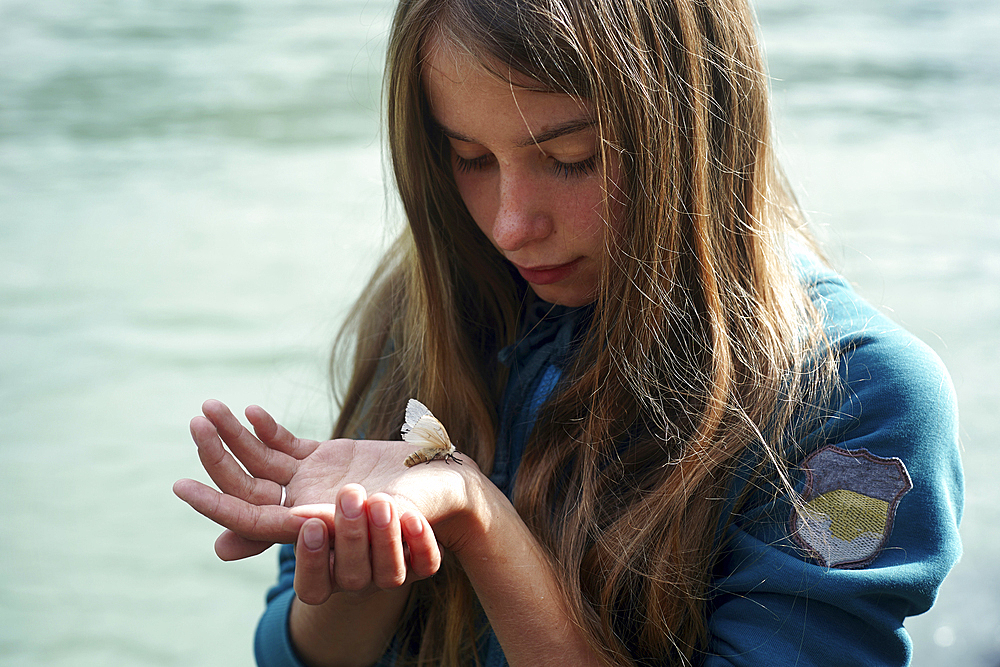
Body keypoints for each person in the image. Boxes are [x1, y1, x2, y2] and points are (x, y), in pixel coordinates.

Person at [172, 0, 964, 664]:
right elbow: (291, 649)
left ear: (697, 127)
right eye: (470, 157)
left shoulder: (867, 406)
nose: (512, 226)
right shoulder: (438, 302)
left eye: (572, 157)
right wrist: (363, 562)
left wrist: (476, 517)